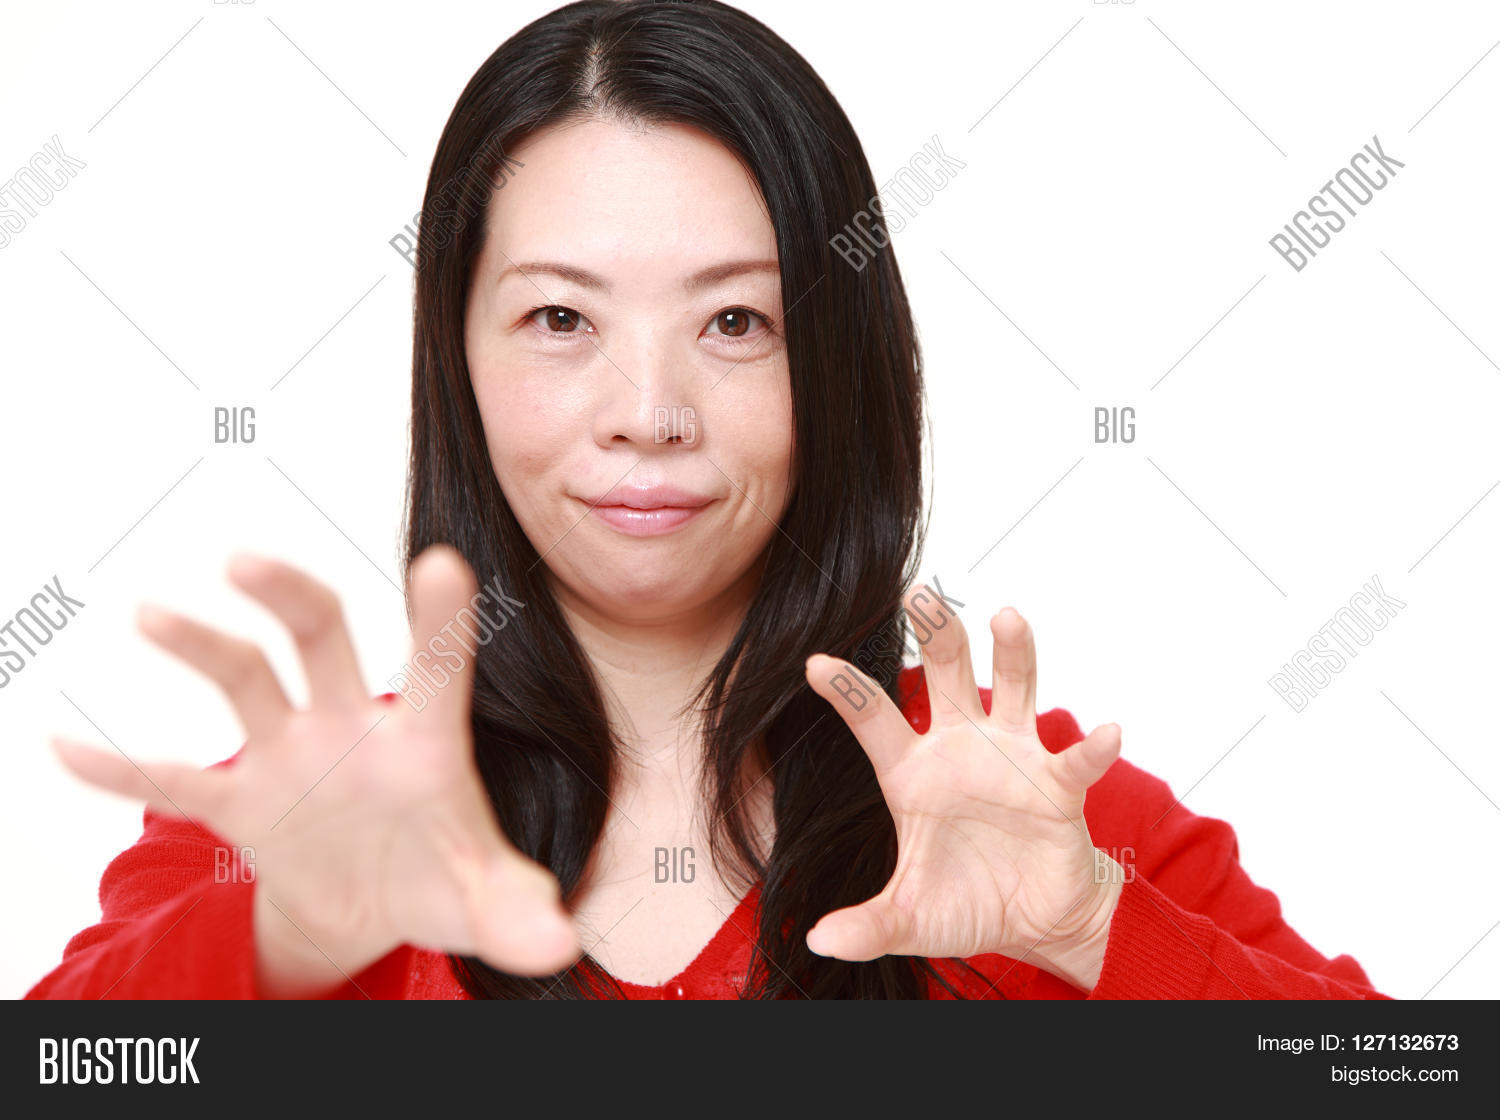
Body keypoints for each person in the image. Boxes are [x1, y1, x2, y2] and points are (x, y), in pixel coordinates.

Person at [29, 0, 1387, 1000]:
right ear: (462, 363)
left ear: (835, 363)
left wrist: (1093, 928)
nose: (649, 409)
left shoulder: (1020, 801)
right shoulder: (310, 815)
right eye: (560, 316)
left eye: (736, 322)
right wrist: (274, 943)